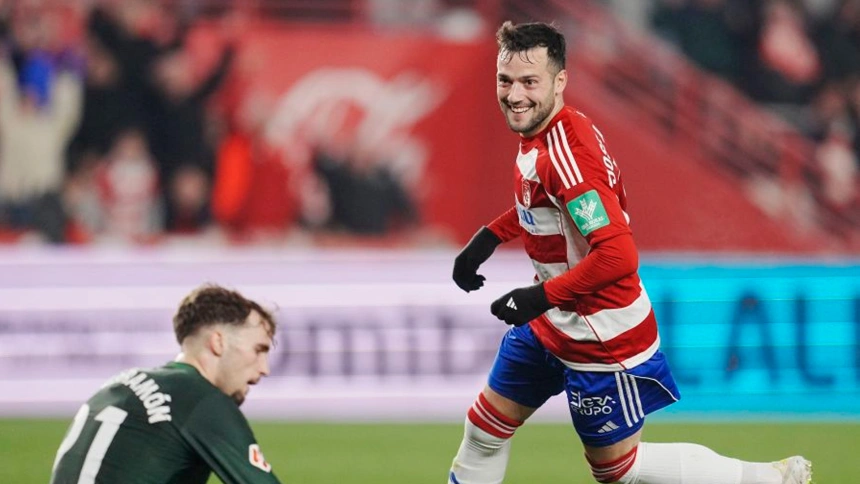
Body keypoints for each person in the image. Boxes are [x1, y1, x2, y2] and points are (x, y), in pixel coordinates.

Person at [446, 21, 812, 484]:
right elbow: (547, 206)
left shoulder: (566, 155)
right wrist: (489, 238)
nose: (514, 94)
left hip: (601, 332)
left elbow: (618, 257)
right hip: (552, 324)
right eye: (505, 80)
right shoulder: (553, 132)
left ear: (560, 81)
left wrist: (538, 297)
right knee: (484, 429)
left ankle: (767, 478)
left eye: (529, 82)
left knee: (618, 472)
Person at [50, 284, 282, 484]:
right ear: (218, 342)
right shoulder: (201, 400)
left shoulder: (118, 385)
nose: (265, 368)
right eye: (258, 350)